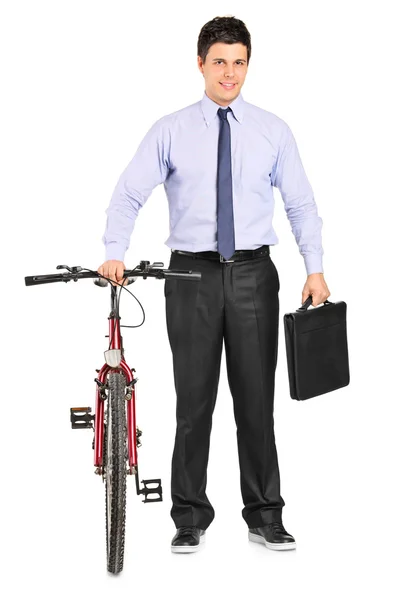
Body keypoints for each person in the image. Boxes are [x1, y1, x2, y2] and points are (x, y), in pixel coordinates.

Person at [98, 15, 330, 554]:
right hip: (190, 276)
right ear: (200, 63)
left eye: (240, 62)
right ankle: (190, 516)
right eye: (220, 62)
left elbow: (300, 203)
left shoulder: (274, 130)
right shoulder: (171, 129)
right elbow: (129, 192)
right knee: (193, 401)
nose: (230, 73)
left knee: (256, 401)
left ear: (249, 65)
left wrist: (314, 267)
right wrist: (115, 254)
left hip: (253, 275)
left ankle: (265, 515)